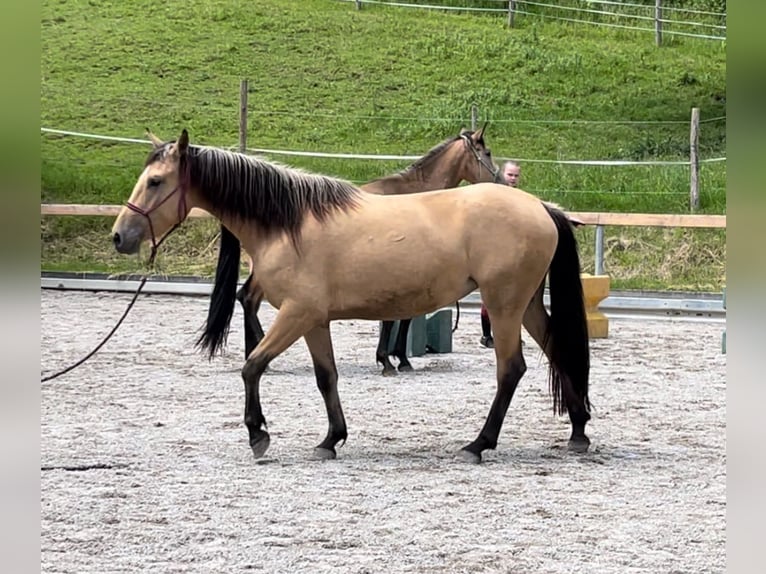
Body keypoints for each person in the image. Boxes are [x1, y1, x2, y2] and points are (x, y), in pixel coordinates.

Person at [480, 161, 521, 348]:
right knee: (491, 297)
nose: (512, 179)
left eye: (515, 176)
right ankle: (486, 335)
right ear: (502, 175)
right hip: (493, 250)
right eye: (510, 175)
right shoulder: (493, 196)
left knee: (513, 297)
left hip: (511, 251)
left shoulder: (519, 198)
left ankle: (510, 336)